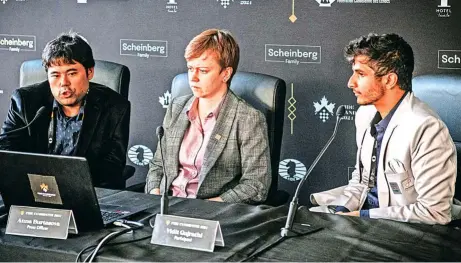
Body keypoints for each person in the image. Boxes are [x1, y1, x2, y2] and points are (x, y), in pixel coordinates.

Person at [310, 33, 460, 224]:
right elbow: (362, 182)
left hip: (404, 230)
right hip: (363, 221)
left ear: (389, 80)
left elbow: (434, 212)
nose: (350, 83)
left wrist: (360, 217)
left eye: (361, 74)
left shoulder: (427, 128)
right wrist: (341, 213)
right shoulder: (364, 115)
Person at [145, 29, 271, 204]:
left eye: (203, 71)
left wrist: (209, 206)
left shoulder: (248, 118)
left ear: (225, 74)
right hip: (166, 207)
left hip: (212, 214)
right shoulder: (177, 107)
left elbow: (256, 185)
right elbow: (158, 165)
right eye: (190, 69)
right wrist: (154, 195)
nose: (193, 78)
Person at [0, 32, 130, 189]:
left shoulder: (115, 107)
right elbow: (6, 150)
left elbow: (112, 168)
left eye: (72, 73)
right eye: (55, 75)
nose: (63, 83)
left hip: (84, 193)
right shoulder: (25, 101)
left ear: (89, 72)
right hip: (32, 189)